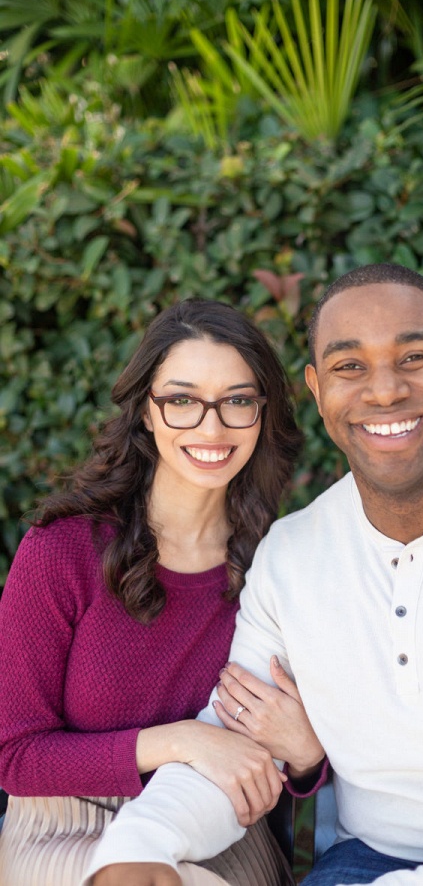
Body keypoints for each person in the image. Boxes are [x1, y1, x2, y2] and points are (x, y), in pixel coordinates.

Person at [85, 263, 423, 886]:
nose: (383, 391)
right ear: (317, 388)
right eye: (349, 366)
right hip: (364, 862)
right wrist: (140, 846)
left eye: (413, 357)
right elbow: (235, 735)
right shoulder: (294, 555)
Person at [0, 298, 325, 886]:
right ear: (146, 412)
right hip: (66, 825)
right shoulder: (63, 551)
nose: (211, 426)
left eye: (237, 400)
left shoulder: (281, 566)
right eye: (182, 400)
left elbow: (303, 764)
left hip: (221, 832)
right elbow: (15, 756)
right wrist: (181, 742)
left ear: (263, 412)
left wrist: (306, 757)